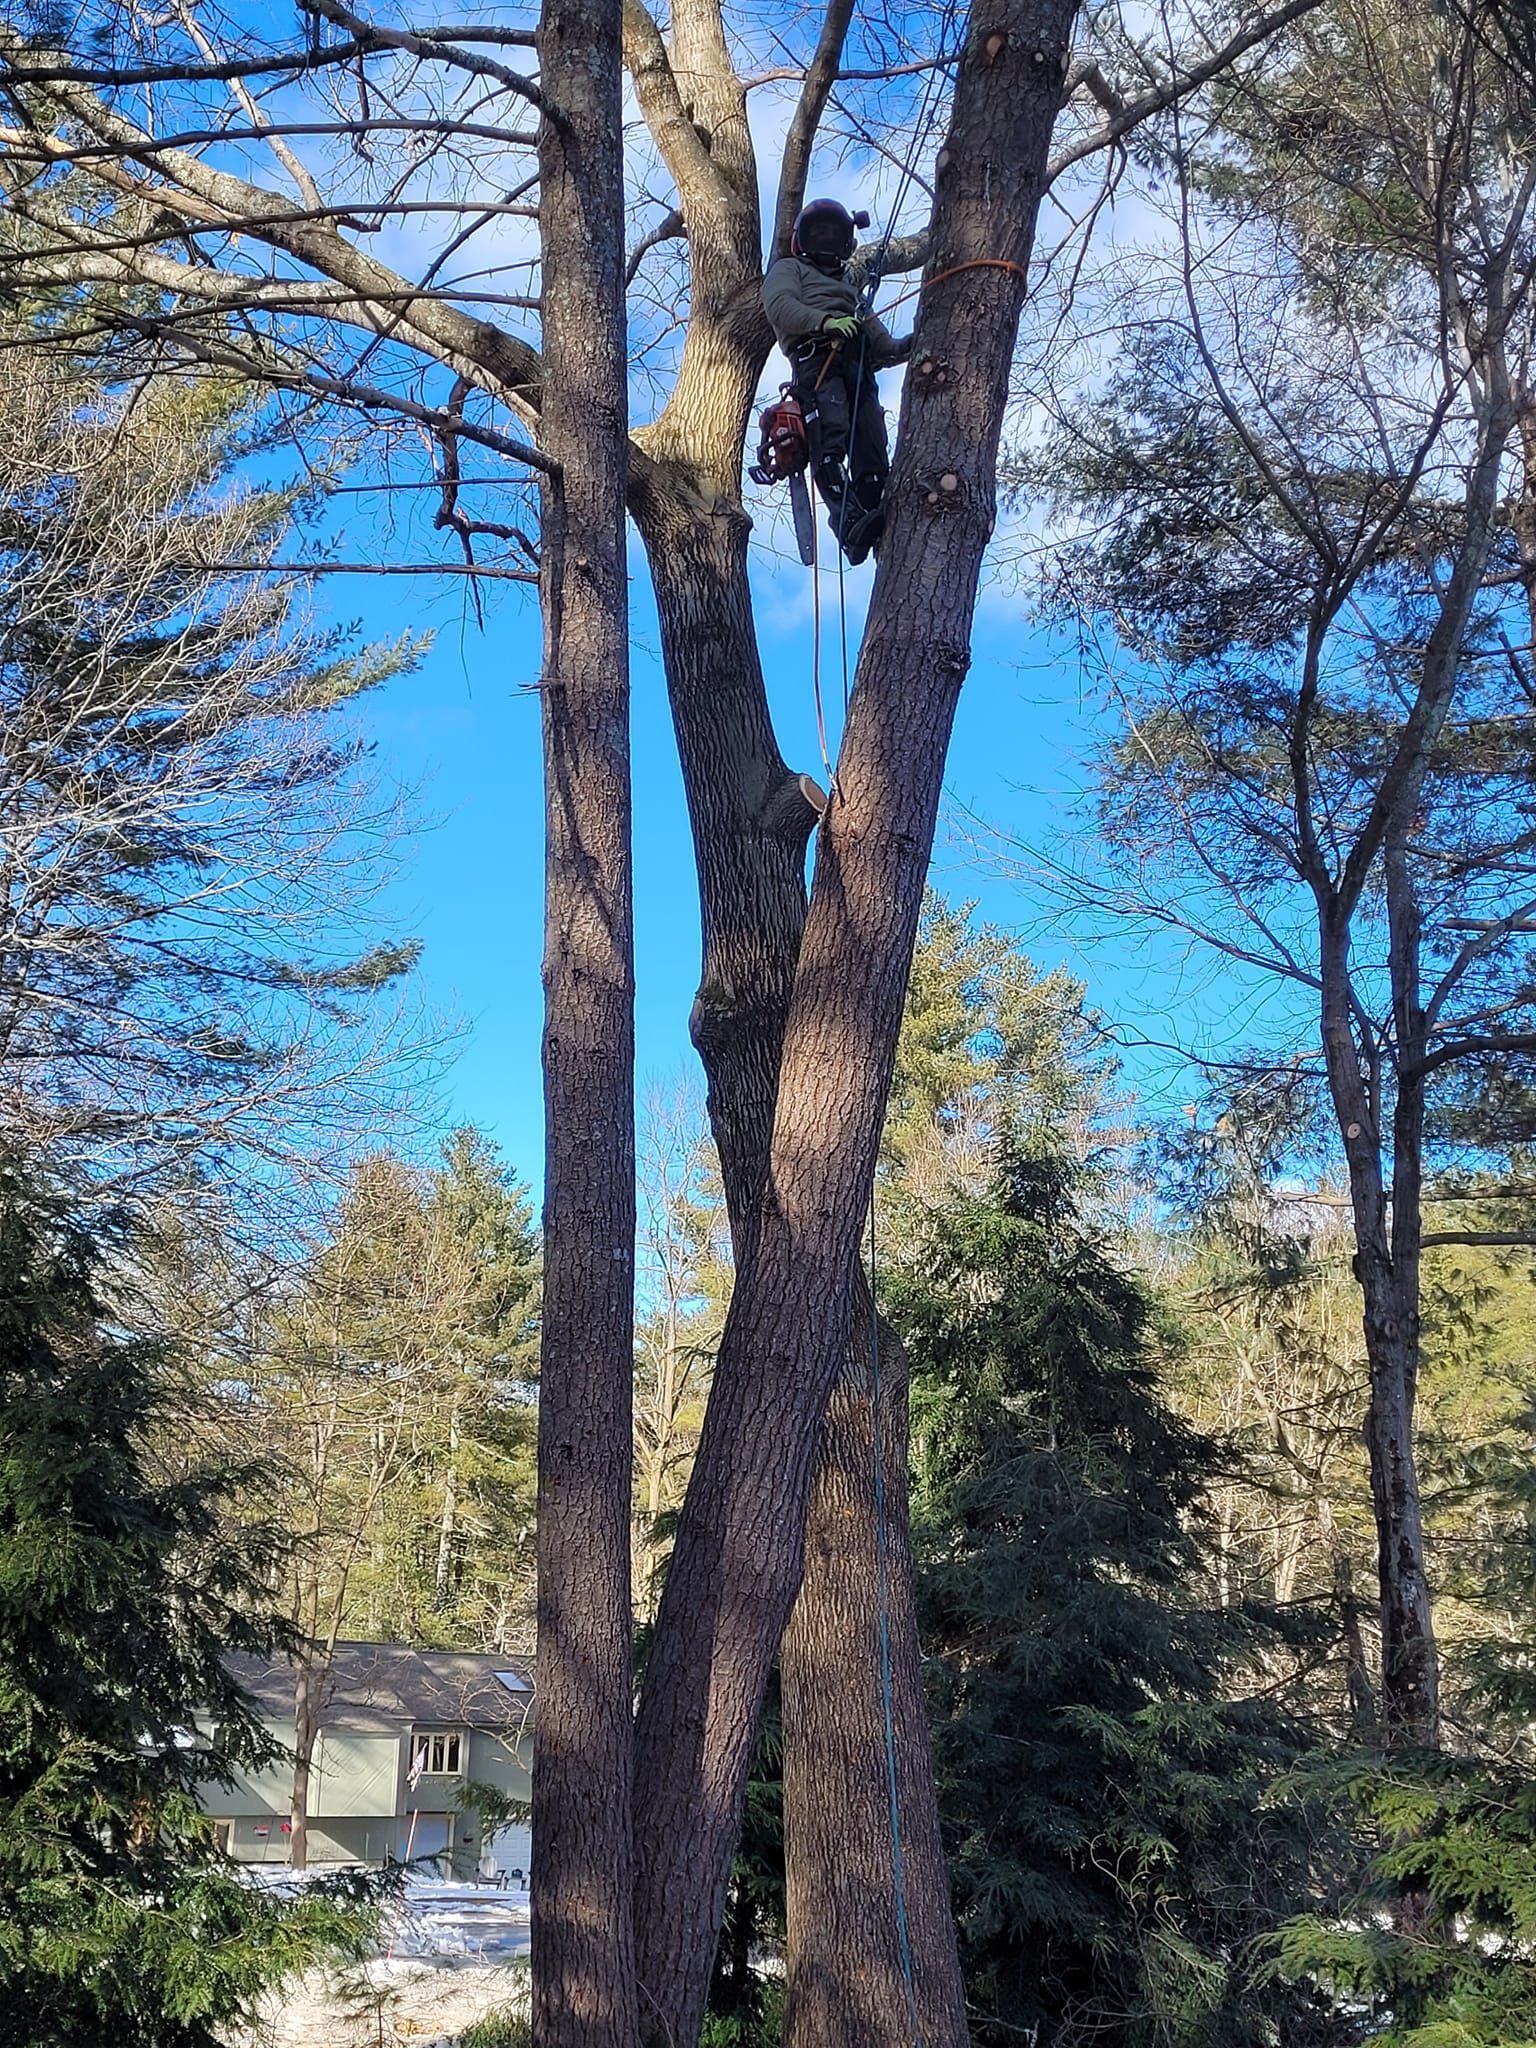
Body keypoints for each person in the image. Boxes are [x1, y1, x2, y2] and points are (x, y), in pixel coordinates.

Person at [761, 198, 911, 564]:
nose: (826, 238)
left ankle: (873, 502)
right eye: (819, 233)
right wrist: (825, 322)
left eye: (833, 233)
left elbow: (880, 341)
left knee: (870, 437)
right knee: (831, 434)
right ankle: (848, 522)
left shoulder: (850, 291)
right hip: (817, 358)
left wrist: (908, 346)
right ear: (802, 240)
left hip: (857, 362)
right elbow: (779, 305)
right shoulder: (789, 269)